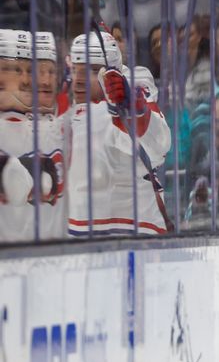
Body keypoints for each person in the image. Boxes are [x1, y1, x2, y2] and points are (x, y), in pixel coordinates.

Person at [67, 30, 172, 237]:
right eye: (74, 69)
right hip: (79, 241)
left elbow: (157, 146)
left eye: (92, 69)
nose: (78, 80)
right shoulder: (65, 113)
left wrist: (132, 108)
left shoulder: (122, 106)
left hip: (132, 235)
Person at [0, 30, 64, 243]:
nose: (26, 79)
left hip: (50, 260)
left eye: (29, 70)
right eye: (14, 70)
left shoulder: (54, 129)